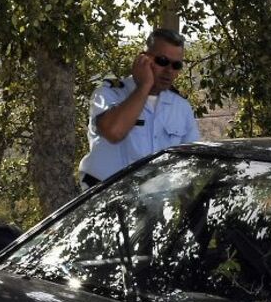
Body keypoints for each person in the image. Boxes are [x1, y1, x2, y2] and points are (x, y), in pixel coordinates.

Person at [78, 28, 200, 188]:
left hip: (152, 204)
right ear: (143, 59)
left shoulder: (181, 107)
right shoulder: (108, 93)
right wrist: (144, 86)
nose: (169, 70)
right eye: (162, 61)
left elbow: (191, 163)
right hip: (105, 199)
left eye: (176, 65)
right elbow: (114, 132)